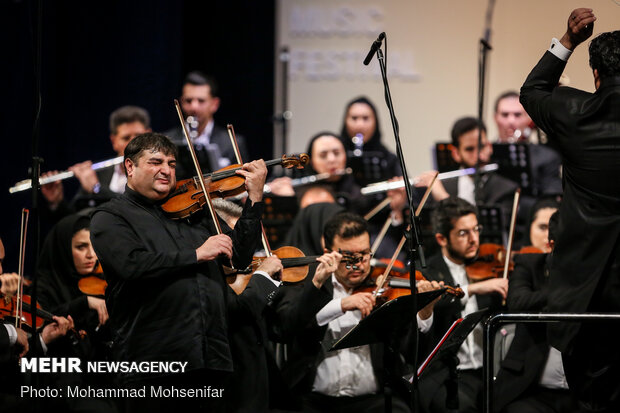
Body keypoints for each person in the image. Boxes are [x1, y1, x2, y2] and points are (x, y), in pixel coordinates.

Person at [90, 132, 266, 412]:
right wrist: (196, 254)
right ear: (129, 167)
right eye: (155, 161)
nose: (167, 170)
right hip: (153, 362)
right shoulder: (111, 217)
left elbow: (240, 256)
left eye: (172, 164)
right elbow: (131, 265)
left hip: (210, 356)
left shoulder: (196, 211)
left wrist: (254, 199)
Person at [519, 8, 620, 412]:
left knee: (588, 399)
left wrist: (568, 39)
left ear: (595, 74)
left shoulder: (572, 112)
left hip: (584, 291)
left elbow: (532, 91)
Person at [271, 212, 442, 413]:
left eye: (364, 255)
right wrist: (341, 305)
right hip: (313, 401)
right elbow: (285, 327)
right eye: (349, 257)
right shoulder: (310, 286)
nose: (359, 264)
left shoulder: (383, 288)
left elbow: (409, 350)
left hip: (373, 400)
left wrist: (424, 313)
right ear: (328, 253)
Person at [419, 197, 508, 413]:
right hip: (452, 374)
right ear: (441, 238)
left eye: (476, 229)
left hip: (491, 367)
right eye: (463, 233)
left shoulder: (490, 265)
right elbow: (440, 306)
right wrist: (473, 289)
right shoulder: (429, 272)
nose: (474, 239)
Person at [493, 212, 579, 413]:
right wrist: (571, 292)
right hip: (530, 389)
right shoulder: (530, 264)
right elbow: (517, 302)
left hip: (582, 392)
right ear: (552, 245)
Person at [419, 117, 519, 239]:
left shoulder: (505, 189)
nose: (478, 155)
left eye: (482, 146)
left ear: (489, 146)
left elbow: (486, 231)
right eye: (470, 149)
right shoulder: (442, 186)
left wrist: (444, 199)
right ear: (456, 153)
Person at [42, 105, 151, 214]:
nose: (133, 144)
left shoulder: (157, 173)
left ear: (150, 136)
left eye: (139, 137)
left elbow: (139, 209)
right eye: (126, 138)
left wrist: (96, 189)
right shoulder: (98, 175)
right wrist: (57, 202)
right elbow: (76, 221)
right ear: (114, 141)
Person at [165, 71, 249, 178]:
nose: (194, 107)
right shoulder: (167, 140)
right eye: (188, 100)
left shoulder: (233, 143)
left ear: (214, 104)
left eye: (201, 101)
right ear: (181, 102)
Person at [492, 91, 562, 198]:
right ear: (495, 117)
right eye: (505, 115)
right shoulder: (483, 154)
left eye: (517, 115)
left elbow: (551, 196)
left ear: (528, 118)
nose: (511, 121)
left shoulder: (547, 157)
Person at [339, 96, 403, 188]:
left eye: (365, 118)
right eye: (354, 118)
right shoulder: (336, 156)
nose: (359, 125)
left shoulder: (387, 158)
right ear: (345, 121)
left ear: (375, 122)